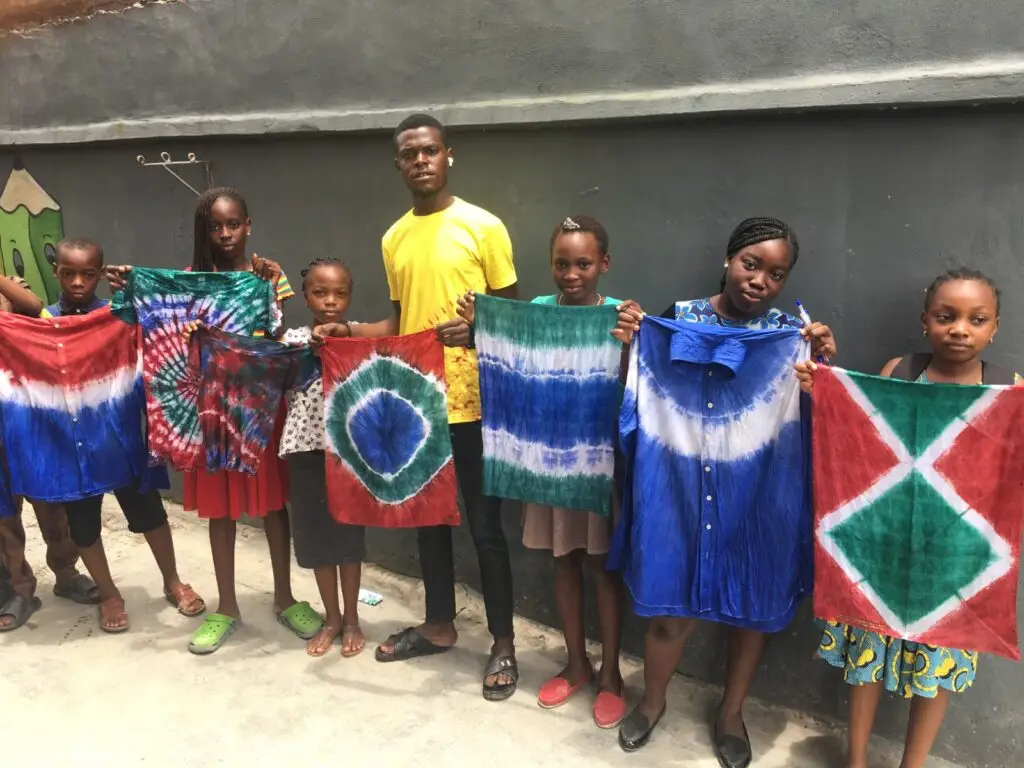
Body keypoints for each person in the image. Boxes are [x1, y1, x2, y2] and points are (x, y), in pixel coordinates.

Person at [612, 217, 836, 764]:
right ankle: (653, 701)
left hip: (756, 493)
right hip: (678, 490)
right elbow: (636, 393)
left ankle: (731, 713)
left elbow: (824, 420)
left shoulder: (792, 333)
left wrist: (824, 367)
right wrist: (630, 345)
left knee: (752, 608)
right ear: (728, 260)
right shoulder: (677, 317)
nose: (760, 280)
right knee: (670, 609)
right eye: (750, 264)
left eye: (776, 274)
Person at [314, 114, 520, 700]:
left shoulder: (484, 226)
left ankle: (503, 643)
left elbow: (514, 317)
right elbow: (402, 322)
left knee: (486, 528)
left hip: (475, 403)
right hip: (419, 399)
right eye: (410, 154)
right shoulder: (394, 238)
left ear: (448, 155)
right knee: (426, 521)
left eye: (430, 150)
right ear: (399, 164)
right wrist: (349, 329)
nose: (422, 161)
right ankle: (439, 625)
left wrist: (479, 328)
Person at [796, 267, 1017, 768]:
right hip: (883, 551)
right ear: (925, 321)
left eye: (976, 319)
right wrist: (826, 392)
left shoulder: (1009, 389)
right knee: (866, 660)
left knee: (937, 671)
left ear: (994, 328)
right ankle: (856, 759)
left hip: (957, 562)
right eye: (946, 316)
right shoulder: (899, 372)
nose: (960, 329)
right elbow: (863, 438)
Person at [106, 188, 322, 652]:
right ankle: (227, 607)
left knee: (272, 507)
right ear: (203, 231)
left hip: (258, 408)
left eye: (233, 224)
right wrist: (128, 287)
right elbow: (140, 320)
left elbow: (276, 333)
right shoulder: (185, 283)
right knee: (221, 512)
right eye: (215, 226)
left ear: (248, 226)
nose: (225, 234)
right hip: (208, 412)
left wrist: (271, 289)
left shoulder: (267, 276)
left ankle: (285, 598)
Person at [457, 214, 627, 725]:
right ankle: (576, 664)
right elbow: (507, 357)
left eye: (583, 264)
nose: (571, 274)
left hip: (596, 466)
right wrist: (479, 328)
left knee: (604, 569)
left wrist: (632, 341)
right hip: (545, 463)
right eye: (561, 264)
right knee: (563, 562)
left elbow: (638, 381)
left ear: (604, 264)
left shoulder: (621, 316)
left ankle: (612, 673)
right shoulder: (534, 312)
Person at [32, 238, 205, 632]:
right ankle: (109, 594)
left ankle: (172, 581)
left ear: (100, 273)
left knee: (150, 514)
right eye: (68, 273)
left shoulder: (118, 315)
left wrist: (137, 293)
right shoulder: (42, 321)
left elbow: (159, 337)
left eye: (87, 274)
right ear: (56, 272)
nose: (78, 282)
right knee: (84, 527)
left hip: (119, 438)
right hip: (73, 448)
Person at [0, 274, 99, 630]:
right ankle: (20, 590)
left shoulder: (12, 293)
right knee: (5, 519)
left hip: (31, 425)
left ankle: (66, 574)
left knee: (52, 507)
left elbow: (33, 306)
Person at [281, 256, 366, 658]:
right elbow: (268, 359)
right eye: (320, 292)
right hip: (305, 452)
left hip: (349, 454)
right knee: (317, 540)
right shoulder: (293, 341)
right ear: (305, 296)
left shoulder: (357, 340)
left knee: (348, 540)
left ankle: (352, 619)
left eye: (340, 293)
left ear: (349, 298)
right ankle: (331, 618)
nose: (330, 301)